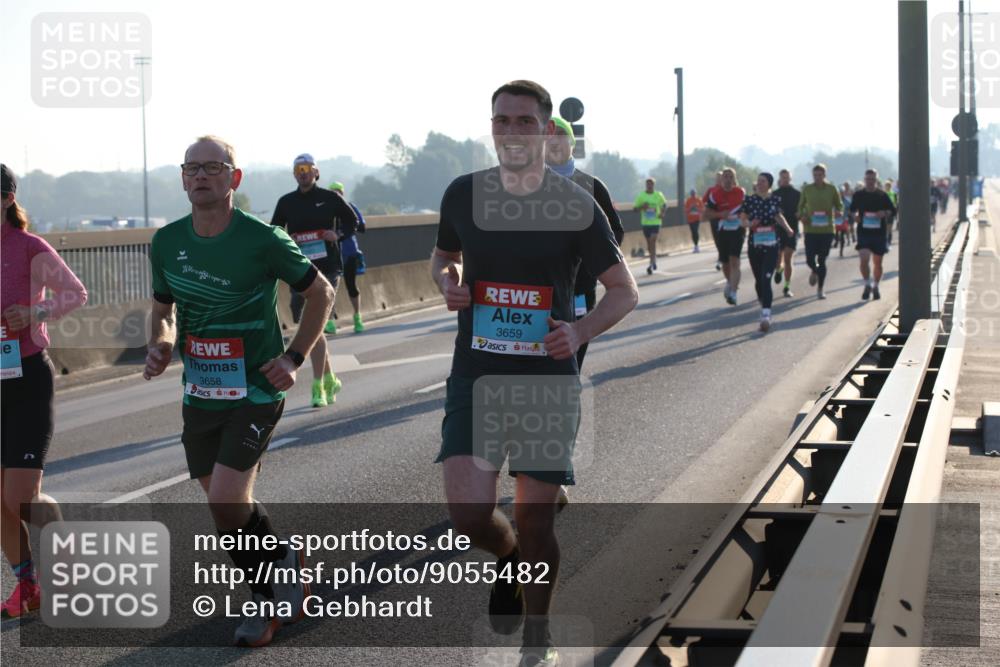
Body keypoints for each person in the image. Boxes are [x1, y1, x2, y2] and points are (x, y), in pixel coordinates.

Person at [430, 80, 637, 667]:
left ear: (547, 132)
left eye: (525, 122)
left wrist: (579, 332)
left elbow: (624, 292)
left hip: (547, 379)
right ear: (490, 128)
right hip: (476, 372)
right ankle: (510, 558)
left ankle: (538, 634)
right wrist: (446, 282)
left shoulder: (575, 202)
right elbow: (443, 258)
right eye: (503, 121)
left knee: (536, 516)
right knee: (469, 513)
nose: (513, 132)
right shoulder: (462, 194)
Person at [144, 136, 335, 647]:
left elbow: (321, 291)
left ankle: (264, 604)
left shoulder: (264, 239)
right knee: (227, 507)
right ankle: (285, 560)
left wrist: (294, 357)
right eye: (192, 168)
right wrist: (161, 343)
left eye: (213, 167)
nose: (201, 176)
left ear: (235, 177)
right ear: (183, 178)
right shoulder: (166, 242)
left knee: (227, 500)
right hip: (201, 392)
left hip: (255, 388)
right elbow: (164, 307)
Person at [1, 164, 87, 619]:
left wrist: (34, 312)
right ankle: (29, 585)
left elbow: (76, 293)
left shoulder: (30, 247)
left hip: (29, 378)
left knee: (20, 497)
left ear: (7, 197)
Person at [271, 154, 357, 407]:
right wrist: (290, 241)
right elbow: (275, 231)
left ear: (316, 172)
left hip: (329, 268)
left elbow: (353, 222)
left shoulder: (330, 198)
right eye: (298, 169)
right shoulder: (287, 202)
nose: (303, 173)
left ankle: (318, 385)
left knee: (313, 323)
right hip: (300, 271)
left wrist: (337, 234)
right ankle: (330, 377)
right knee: (312, 327)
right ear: (294, 174)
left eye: (307, 168)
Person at [545, 116, 625, 369]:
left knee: (573, 350)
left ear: (571, 144)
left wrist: (592, 265)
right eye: (548, 137)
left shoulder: (592, 186)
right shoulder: (524, 186)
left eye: (560, 136)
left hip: (580, 286)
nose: (554, 143)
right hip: (540, 289)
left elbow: (616, 233)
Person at [740, 172, 794, 332]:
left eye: (763, 181)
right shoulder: (749, 200)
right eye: (758, 181)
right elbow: (742, 220)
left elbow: (778, 217)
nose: (759, 183)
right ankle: (763, 302)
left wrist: (788, 229)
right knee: (758, 280)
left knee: (766, 278)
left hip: (771, 244)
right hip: (754, 245)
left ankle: (766, 314)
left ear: (769, 184)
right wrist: (750, 223)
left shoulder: (774, 199)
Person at [796, 163, 843, 299]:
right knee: (810, 259)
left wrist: (839, 211)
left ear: (824, 175)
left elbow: (839, 205)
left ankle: (820, 289)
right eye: (815, 175)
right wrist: (801, 215)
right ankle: (814, 271)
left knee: (822, 260)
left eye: (820, 175)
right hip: (811, 229)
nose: (817, 177)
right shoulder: (807, 189)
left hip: (827, 230)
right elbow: (800, 206)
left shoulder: (831, 189)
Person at [850, 169, 896, 301]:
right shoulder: (858, 195)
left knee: (878, 262)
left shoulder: (882, 195)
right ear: (865, 180)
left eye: (873, 179)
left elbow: (892, 210)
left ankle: (876, 286)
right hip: (864, 232)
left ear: (876, 180)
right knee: (864, 259)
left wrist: (884, 213)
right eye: (868, 179)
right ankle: (867, 284)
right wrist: (855, 217)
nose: (870, 182)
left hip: (878, 233)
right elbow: (852, 210)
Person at [328, 181, 367, 333]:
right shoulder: (326, 210)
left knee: (351, 285)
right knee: (329, 288)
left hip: (349, 252)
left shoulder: (349, 207)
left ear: (342, 193)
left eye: (338, 192)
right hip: (331, 253)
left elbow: (361, 226)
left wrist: (343, 231)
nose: (336, 194)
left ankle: (357, 316)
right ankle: (329, 321)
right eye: (333, 192)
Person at [704, 168, 746, 304]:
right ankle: (730, 282)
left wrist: (743, 217)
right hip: (722, 230)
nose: (728, 179)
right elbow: (706, 214)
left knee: (735, 260)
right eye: (725, 177)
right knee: (725, 262)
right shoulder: (715, 194)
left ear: (734, 179)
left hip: (738, 230)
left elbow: (748, 210)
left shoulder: (740, 193)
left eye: (730, 177)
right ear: (722, 180)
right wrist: (720, 215)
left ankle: (733, 292)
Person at [772, 169, 800, 298]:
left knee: (788, 257)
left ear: (790, 178)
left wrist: (800, 214)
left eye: (787, 177)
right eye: (783, 177)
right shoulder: (774, 194)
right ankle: (779, 269)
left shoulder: (797, 194)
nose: (785, 179)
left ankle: (787, 286)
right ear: (780, 178)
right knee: (778, 256)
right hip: (778, 229)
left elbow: (802, 209)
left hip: (792, 229)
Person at [634, 178, 667, 274]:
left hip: (656, 222)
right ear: (646, 185)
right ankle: (653, 259)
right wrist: (642, 207)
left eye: (651, 184)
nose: (649, 186)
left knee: (653, 239)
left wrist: (662, 213)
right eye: (648, 184)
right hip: (645, 223)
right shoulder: (641, 196)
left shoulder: (658, 195)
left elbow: (664, 205)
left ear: (653, 185)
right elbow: (635, 209)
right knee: (649, 245)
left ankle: (651, 263)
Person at [702, 171, 724, 270]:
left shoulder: (727, 189)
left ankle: (722, 258)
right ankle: (721, 256)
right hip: (714, 218)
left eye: (721, 177)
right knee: (717, 239)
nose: (719, 179)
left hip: (725, 219)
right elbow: (704, 200)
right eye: (717, 177)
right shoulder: (711, 190)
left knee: (724, 239)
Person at [684, 188, 705, 253]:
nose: (693, 195)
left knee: (696, 231)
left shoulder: (698, 200)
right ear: (690, 194)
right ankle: (695, 245)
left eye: (694, 193)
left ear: (695, 194)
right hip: (690, 219)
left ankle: (697, 246)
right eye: (692, 194)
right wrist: (691, 207)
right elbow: (686, 211)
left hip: (697, 219)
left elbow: (702, 210)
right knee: (693, 232)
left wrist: (696, 207)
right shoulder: (688, 201)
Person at [883, 179, 898, 246]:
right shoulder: (883, 193)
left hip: (890, 212)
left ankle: (889, 241)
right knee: (885, 228)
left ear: (890, 186)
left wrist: (894, 211)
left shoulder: (893, 193)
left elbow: (895, 203)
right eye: (886, 186)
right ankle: (885, 241)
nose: (887, 187)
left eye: (888, 186)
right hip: (884, 212)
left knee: (889, 228)